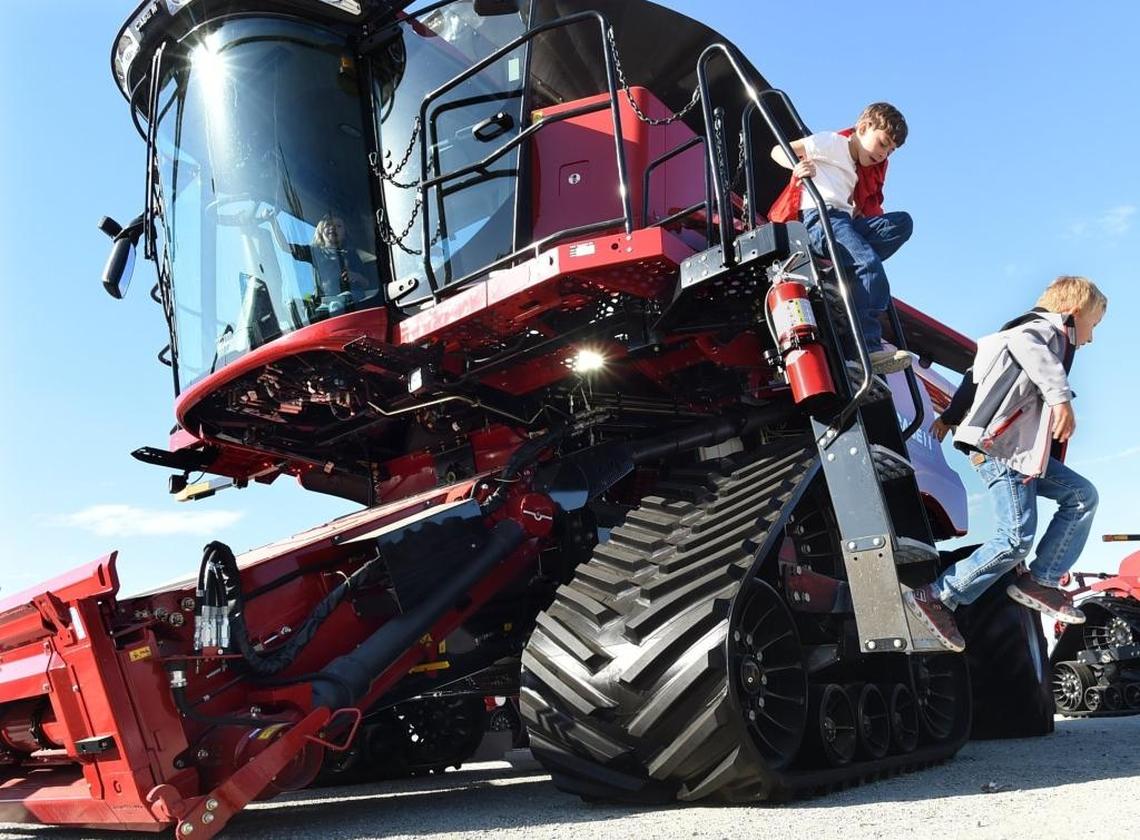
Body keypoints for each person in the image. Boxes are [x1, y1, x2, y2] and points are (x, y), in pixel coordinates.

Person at [907, 276, 1108, 652]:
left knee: (1082, 496)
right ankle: (937, 596)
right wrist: (1061, 399)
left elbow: (972, 379)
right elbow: (1026, 346)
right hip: (1000, 450)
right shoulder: (1039, 330)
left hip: (1020, 453)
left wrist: (951, 416)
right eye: (1092, 325)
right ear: (1074, 311)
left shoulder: (1017, 335)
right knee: (1015, 538)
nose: (1091, 337)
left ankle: (1042, 580)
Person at [769, 103, 912, 374]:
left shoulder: (858, 168)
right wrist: (796, 167)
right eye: (882, 143)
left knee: (901, 223)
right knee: (868, 264)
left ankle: (842, 275)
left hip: (843, 222)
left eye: (890, 151)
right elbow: (779, 149)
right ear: (863, 127)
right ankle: (866, 349)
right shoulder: (831, 142)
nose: (883, 154)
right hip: (820, 221)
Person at [312, 214, 373, 303]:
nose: (333, 228)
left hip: (353, 300)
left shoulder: (352, 255)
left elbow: (367, 283)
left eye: (338, 226)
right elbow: (287, 248)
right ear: (320, 230)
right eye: (328, 224)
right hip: (326, 303)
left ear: (344, 234)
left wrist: (356, 276)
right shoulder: (314, 252)